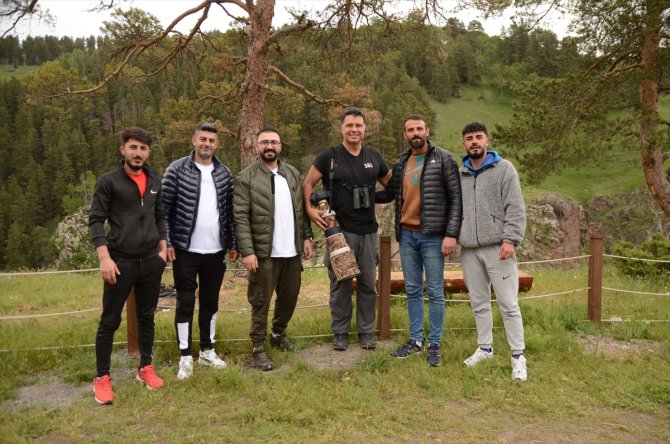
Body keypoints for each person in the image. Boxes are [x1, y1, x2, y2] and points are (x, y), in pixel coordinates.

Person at [376, 115, 462, 366]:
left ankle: (434, 343)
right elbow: (389, 194)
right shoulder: (402, 162)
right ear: (405, 134)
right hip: (407, 235)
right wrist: (360, 193)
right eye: (410, 130)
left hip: (433, 236)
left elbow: (456, 199)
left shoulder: (444, 159)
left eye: (419, 129)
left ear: (427, 131)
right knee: (412, 289)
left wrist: (451, 234)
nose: (415, 133)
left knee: (434, 291)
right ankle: (415, 340)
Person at [90, 127, 167, 405]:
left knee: (147, 317)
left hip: (150, 262)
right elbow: (96, 221)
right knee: (110, 320)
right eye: (133, 147)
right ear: (123, 149)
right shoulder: (108, 181)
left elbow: (160, 215)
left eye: (143, 148)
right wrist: (104, 258)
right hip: (119, 262)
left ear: (148, 152)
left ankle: (145, 367)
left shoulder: (154, 178)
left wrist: (162, 249)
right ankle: (102, 377)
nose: (138, 153)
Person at [303, 107, 390, 351]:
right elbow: (308, 183)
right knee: (340, 284)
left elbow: (391, 184)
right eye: (349, 125)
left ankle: (365, 332)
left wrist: (372, 197)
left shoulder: (374, 156)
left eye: (358, 125)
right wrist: (310, 210)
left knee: (367, 284)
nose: (354, 129)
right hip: (338, 232)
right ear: (341, 128)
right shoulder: (328, 156)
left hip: (368, 231)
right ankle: (340, 332)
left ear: (365, 129)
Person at [162, 123, 239, 380]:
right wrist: (168, 242)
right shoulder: (176, 169)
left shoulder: (224, 173)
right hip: (185, 250)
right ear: (194, 140)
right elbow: (164, 209)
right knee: (185, 303)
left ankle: (207, 350)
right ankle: (185, 356)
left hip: (216, 251)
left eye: (211, 140)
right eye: (202, 139)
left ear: (217, 144)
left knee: (210, 302)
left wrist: (233, 243)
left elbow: (229, 213)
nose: (207, 143)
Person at [233, 126, 314, 370]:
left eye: (274, 142)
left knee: (289, 296)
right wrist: (248, 251)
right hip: (264, 253)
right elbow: (240, 217)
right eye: (265, 142)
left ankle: (278, 334)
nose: (270, 146)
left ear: (280, 146)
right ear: (257, 146)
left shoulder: (292, 174)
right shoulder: (245, 178)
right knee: (261, 301)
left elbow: (301, 211)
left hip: (291, 251)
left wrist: (306, 237)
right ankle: (258, 347)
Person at [458, 122, 528, 381]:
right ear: (464, 143)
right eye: (469, 138)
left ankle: (518, 356)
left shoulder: (504, 169)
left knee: (509, 304)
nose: (474, 142)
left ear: (486, 140)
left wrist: (511, 239)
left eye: (478, 137)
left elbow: (515, 207)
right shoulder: (460, 174)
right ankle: (485, 349)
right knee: (479, 303)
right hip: (469, 249)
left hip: (499, 248)